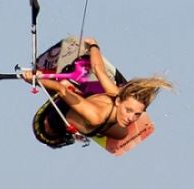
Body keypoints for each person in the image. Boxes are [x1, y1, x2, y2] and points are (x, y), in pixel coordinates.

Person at [19, 38, 174, 149]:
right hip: (62, 119)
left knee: (122, 133)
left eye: (137, 115)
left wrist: (94, 45)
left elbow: (93, 72)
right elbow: (66, 87)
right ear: (119, 100)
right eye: (129, 111)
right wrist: (94, 45)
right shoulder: (107, 103)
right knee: (121, 132)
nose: (130, 118)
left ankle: (79, 96)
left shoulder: (108, 102)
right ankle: (78, 90)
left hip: (85, 113)